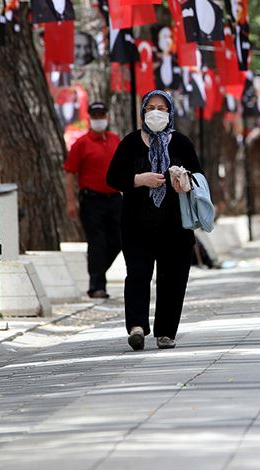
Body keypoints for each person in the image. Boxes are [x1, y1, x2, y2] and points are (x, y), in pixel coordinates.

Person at [106, 90, 203, 351]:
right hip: (137, 225)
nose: (156, 112)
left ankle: (165, 332)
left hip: (175, 227)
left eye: (162, 107)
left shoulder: (181, 143)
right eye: (151, 108)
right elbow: (113, 178)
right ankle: (136, 327)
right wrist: (139, 179)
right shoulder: (130, 143)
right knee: (137, 274)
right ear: (143, 112)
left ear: (170, 112)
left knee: (173, 279)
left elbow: (199, 179)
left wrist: (183, 182)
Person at [64, 102, 122, 299]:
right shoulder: (81, 143)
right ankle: (97, 286)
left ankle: (97, 274)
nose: (99, 118)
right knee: (97, 243)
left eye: (102, 114)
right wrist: (71, 201)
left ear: (107, 116)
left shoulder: (115, 140)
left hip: (115, 198)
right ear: (89, 117)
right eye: (95, 115)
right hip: (92, 200)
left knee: (118, 240)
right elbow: (70, 173)